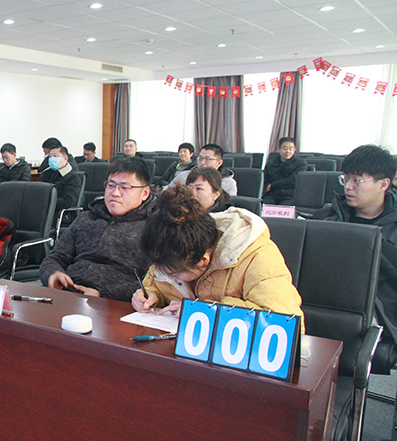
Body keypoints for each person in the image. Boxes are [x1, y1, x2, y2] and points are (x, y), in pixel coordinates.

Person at [132, 185, 303, 329]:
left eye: (173, 274)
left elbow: (282, 320)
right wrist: (151, 296)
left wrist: (204, 311)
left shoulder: (257, 255)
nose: (168, 276)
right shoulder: (169, 250)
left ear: (203, 260)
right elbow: (157, 285)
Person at [315, 144, 397, 351]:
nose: (348, 187)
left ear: (384, 184)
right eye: (346, 179)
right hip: (327, 301)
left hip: (377, 311)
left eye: (357, 180)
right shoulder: (327, 219)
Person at [40, 158, 154, 300]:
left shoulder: (154, 228)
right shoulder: (86, 218)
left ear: (145, 193)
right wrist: (53, 273)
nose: (115, 193)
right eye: (111, 185)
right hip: (69, 294)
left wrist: (102, 294)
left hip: (114, 303)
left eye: (125, 187)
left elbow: (153, 283)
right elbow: (54, 258)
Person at [166, 143, 237, 196]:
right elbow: (166, 193)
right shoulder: (183, 176)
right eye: (200, 158)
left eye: (208, 159)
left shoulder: (228, 183)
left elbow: (229, 206)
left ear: (219, 163)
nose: (202, 162)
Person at [262, 137, 306, 205]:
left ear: (294, 150)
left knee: (284, 208)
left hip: (290, 195)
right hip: (272, 194)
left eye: (290, 149)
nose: (288, 151)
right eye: (285, 148)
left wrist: (273, 185)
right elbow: (264, 180)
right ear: (279, 149)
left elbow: (293, 180)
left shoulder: (300, 163)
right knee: (262, 206)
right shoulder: (271, 164)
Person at [39, 145, 81, 212]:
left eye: (55, 156)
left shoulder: (72, 177)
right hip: (41, 209)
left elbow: (68, 201)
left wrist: (47, 202)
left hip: (56, 211)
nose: (52, 158)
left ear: (65, 158)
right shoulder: (46, 173)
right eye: (50, 156)